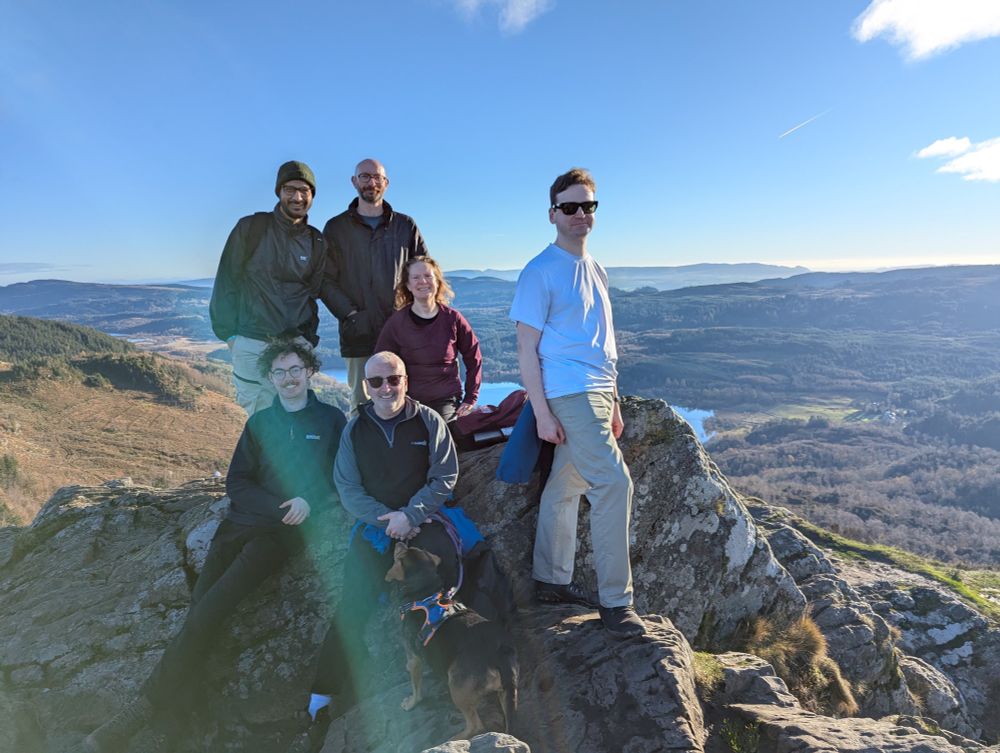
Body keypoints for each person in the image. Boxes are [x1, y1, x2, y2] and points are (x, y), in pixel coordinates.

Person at [78, 341, 347, 752]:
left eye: (296, 369)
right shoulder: (259, 423)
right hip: (238, 527)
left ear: (310, 371)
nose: (289, 378)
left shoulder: (331, 420)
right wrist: (278, 506)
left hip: (279, 539)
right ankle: (180, 724)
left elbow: (338, 476)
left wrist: (310, 500)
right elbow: (237, 482)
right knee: (200, 618)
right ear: (270, 379)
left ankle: (135, 716)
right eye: (280, 373)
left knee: (209, 612)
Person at [508, 168, 645, 640]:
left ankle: (549, 579)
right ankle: (616, 601)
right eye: (570, 207)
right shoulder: (539, 271)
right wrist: (542, 412)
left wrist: (616, 400)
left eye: (588, 206)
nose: (581, 214)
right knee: (613, 482)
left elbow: (603, 341)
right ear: (552, 214)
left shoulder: (596, 268)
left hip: (598, 389)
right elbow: (526, 349)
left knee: (567, 483)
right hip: (567, 389)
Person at [307, 351, 460, 720]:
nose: (385, 387)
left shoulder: (428, 421)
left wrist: (411, 515)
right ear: (365, 386)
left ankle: (452, 676)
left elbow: (445, 476)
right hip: (377, 528)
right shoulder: (355, 428)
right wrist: (388, 520)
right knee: (353, 604)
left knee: (446, 593)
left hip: (424, 523)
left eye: (393, 379)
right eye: (376, 381)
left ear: (405, 381)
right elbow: (347, 486)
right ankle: (324, 692)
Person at [210, 161, 326, 416]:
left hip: (296, 344)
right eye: (290, 189)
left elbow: (314, 292)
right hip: (252, 342)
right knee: (260, 423)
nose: (297, 197)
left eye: (305, 191)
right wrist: (230, 336)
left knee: (298, 417)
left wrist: (309, 339)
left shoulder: (316, 241)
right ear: (279, 192)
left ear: (312, 195)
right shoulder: (251, 228)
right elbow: (226, 281)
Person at [320, 158, 428, 411]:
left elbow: (424, 272)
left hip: (402, 331)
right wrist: (351, 315)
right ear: (354, 181)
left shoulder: (405, 226)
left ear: (386, 183)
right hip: (358, 335)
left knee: (409, 402)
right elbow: (324, 279)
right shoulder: (336, 228)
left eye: (377, 177)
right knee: (362, 404)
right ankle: (362, 451)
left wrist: (417, 316)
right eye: (365, 176)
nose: (372, 182)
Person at [374, 255, 482, 422]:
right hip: (407, 401)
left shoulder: (453, 319)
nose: (423, 281)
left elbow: (474, 357)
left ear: (437, 281)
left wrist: (470, 398)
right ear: (408, 285)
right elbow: (380, 362)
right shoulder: (397, 323)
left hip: (445, 400)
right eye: (416, 277)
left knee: (442, 437)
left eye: (428, 276)